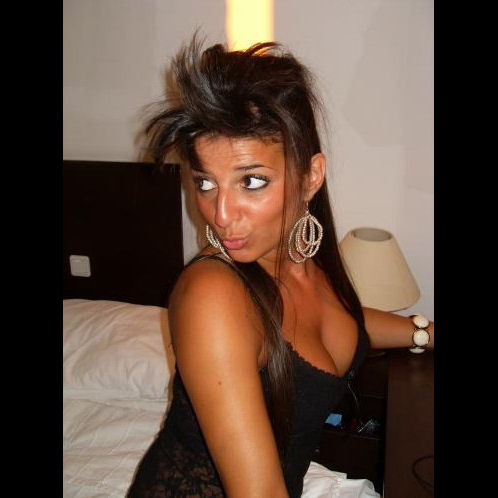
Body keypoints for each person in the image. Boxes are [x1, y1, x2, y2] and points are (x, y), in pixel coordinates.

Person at [127, 36, 434, 498]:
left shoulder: (301, 260)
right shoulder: (212, 292)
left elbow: (338, 322)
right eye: (205, 182)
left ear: (311, 177)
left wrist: (423, 332)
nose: (220, 215)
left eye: (251, 181)